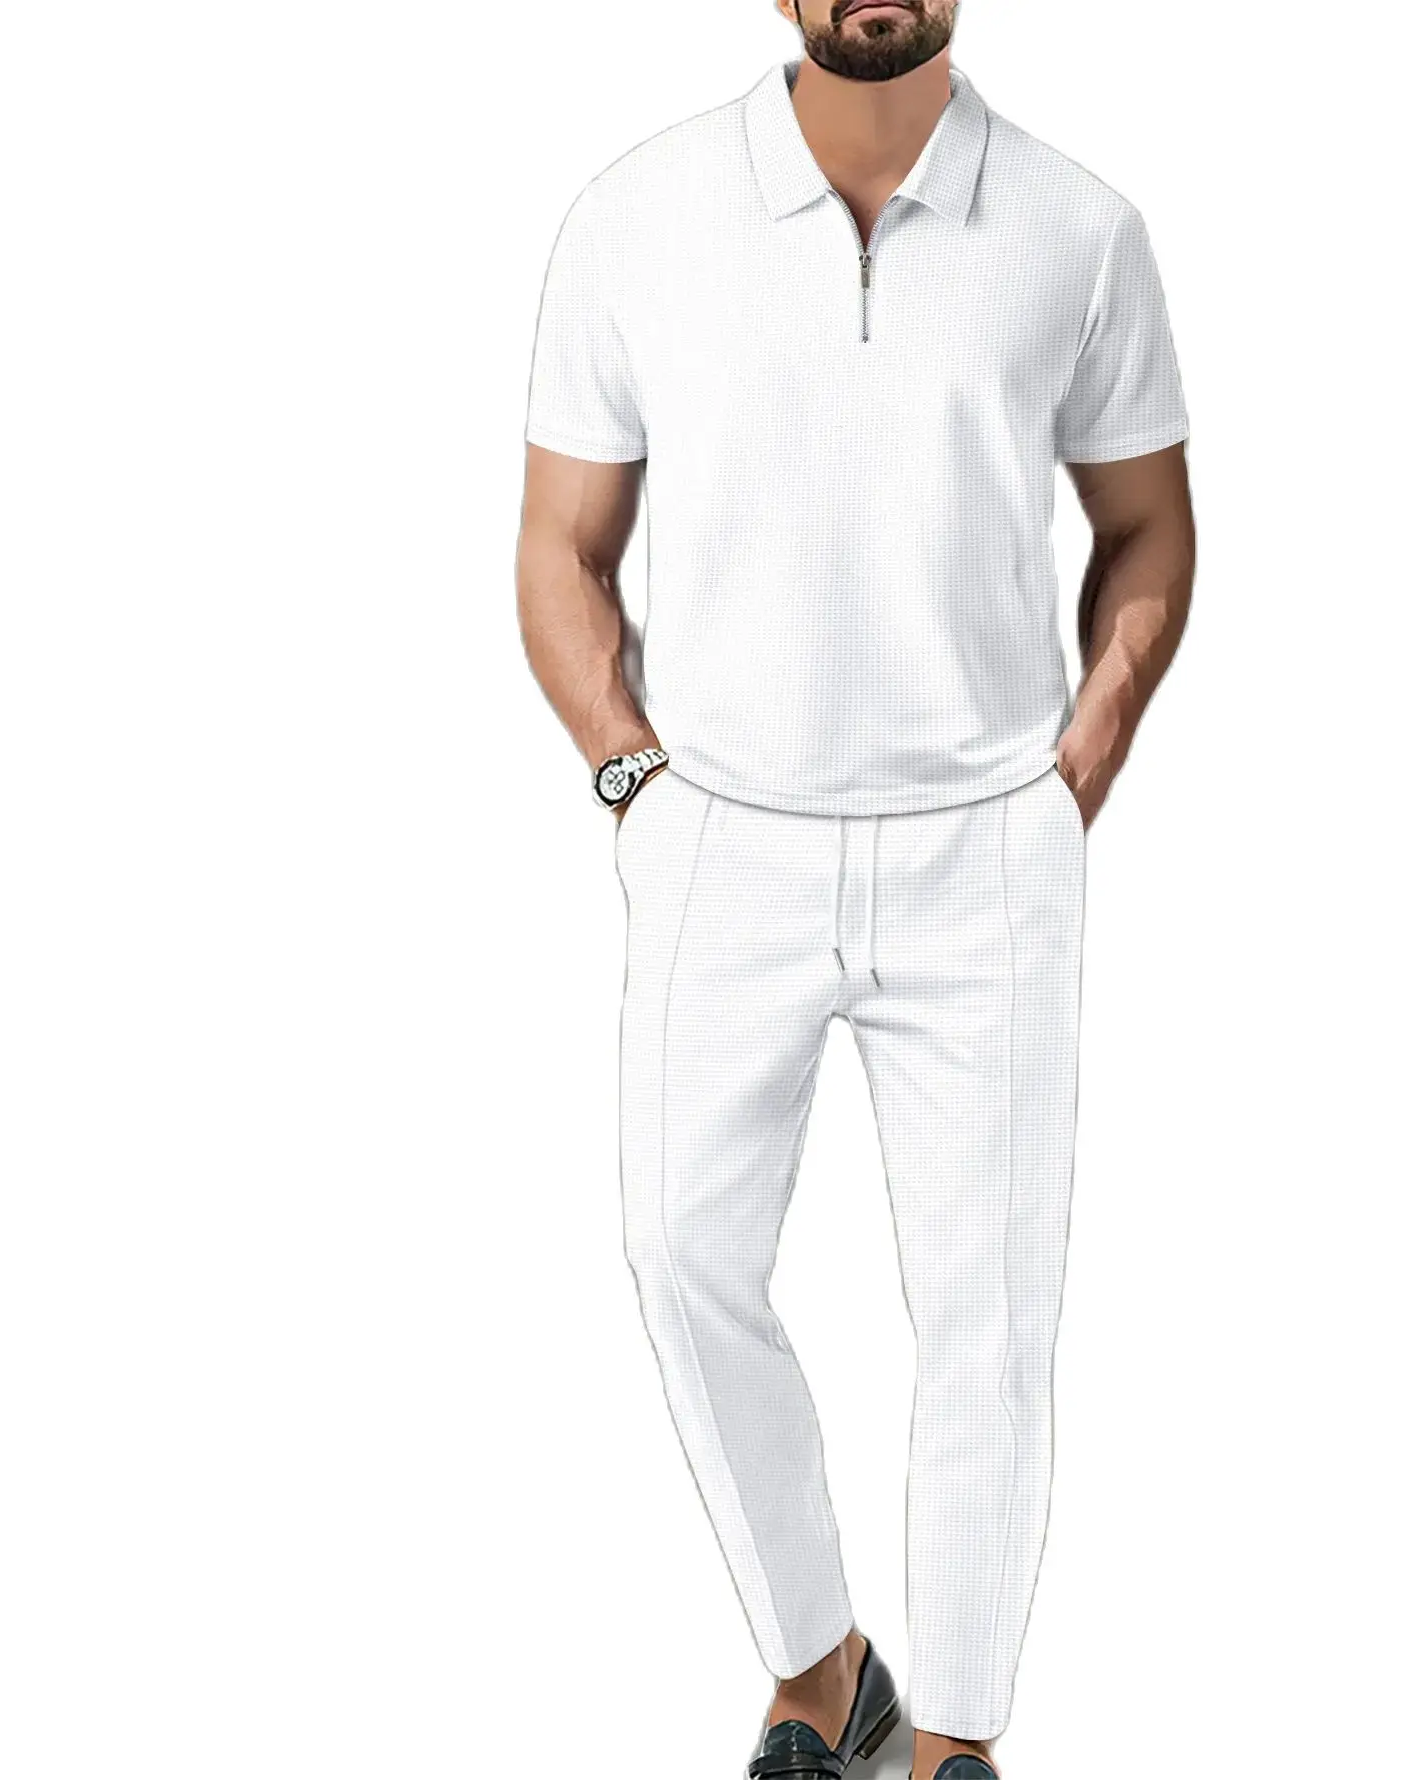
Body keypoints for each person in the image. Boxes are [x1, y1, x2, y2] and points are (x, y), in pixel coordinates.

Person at [514, 4, 1195, 1775]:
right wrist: (633, 780)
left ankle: (957, 1740)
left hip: (988, 838)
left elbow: (1146, 523)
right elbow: (563, 545)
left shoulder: (1081, 229)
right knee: (680, 1250)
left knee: (992, 1312)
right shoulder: (637, 215)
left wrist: (1078, 765)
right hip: (723, 829)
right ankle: (824, 1667)